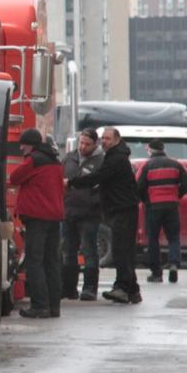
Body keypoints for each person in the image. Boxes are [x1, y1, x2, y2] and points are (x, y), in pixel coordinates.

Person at [68, 126, 142, 304]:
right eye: (103, 138)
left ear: (117, 140)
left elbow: (97, 177)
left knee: (121, 250)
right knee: (124, 250)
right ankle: (132, 290)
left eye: (107, 138)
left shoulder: (116, 159)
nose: (104, 141)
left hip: (122, 210)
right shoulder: (116, 156)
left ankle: (122, 288)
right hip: (122, 208)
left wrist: (71, 182)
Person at [9, 128, 65, 318]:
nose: (21, 148)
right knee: (51, 262)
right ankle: (54, 306)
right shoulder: (55, 161)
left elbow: (14, 177)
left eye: (23, 145)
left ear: (30, 145)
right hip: (54, 216)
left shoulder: (34, 160)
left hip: (37, 217)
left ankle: (40, 306)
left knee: (35, 261)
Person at [137, 138, 187, 283]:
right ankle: (173, 264)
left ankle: (156, 273)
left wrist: (146, 199)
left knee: (153, 239)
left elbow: (138, 185)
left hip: (153, 207)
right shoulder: (175, 164)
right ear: (163, 149)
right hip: (172, 206)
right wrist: (177, 194)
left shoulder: (146, 165)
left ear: (150, 150)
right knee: (173, 237)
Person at [61, 128, 105, 301]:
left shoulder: (101, 161)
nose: (83, 147)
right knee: (68, 252)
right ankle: (69, 288)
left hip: (89, 213)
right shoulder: (70, 157)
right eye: (81, 143)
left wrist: (95, 202)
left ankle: (90, 288)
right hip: (69, 211)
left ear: (95, 144)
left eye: (87, 144)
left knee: (89, 251)